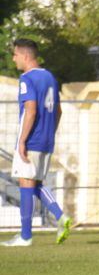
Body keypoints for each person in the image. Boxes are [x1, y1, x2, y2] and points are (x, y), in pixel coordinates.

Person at [3, 38, 73, 247]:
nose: (13, 59)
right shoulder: (50, 77)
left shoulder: (27, 78)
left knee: (26, 183)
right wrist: (50, 133)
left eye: (15, 54)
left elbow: (31, 110)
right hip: (46, 140)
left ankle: (25, 236)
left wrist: (22, 141)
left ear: (25, 56)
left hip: (32, 139)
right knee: (35, 183)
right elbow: (58, 111)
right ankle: (60, 216)